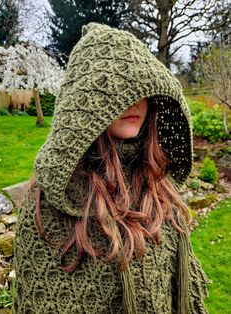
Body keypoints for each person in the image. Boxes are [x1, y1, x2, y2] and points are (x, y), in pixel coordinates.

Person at [13, 23, 210, 314]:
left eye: (140, 89)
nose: (131, 101)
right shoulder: (47, 205)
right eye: (114, 91)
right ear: (86, 103)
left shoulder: (158, 186)